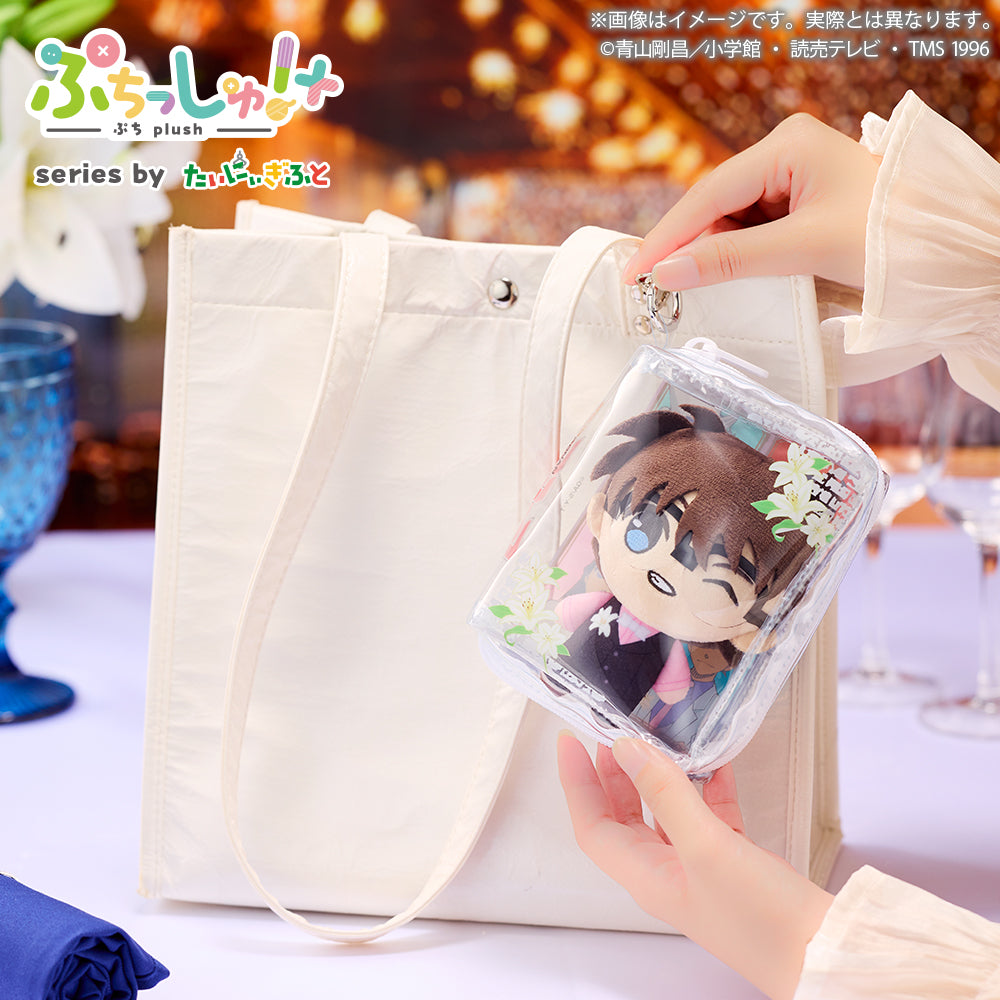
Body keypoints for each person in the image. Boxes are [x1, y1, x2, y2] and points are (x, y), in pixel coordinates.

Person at [557, 89, 1000, 1000]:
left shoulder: (695, 670)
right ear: (601, 508)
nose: (662, 564)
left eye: (717, 574)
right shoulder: (582, 606)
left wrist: (798, 940)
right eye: (640, 527)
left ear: (753, 611)